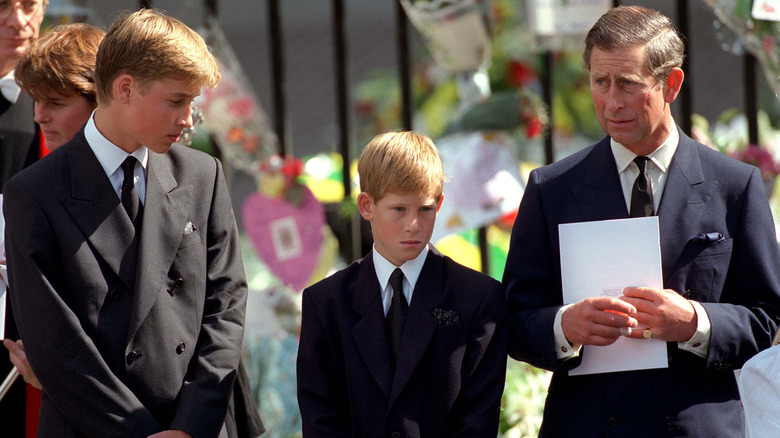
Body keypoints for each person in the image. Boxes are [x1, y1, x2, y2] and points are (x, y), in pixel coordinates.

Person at [502, 6, 780, 437]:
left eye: (628, 84)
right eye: (600, 82)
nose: (611, 101)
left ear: (671, 84)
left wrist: (694, 322)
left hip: (695, 425)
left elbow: (767, 319)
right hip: (588, 426)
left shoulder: (734, 184)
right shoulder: (551, 188)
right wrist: (563, 326)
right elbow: (515, 320)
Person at [3, 8, 247, 438]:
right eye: (177, 101)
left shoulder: (202, 174)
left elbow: (226, 305)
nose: (188, 119)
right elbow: (56, 344)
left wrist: (190, 426)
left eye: (191, 103)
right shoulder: (34, 193)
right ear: (126, 88)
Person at [296, 131, 508, 436]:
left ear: (440, 204)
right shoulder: (325, 303)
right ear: (366, 205)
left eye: (425, 209)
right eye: (399, 209)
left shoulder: (477, 297)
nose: (414, 224)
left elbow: (479, 419)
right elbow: (320, 418)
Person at [0, 1, 47, 435]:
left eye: (30, 4)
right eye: (2, 6)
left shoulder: (57, 101)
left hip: (29, 312)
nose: (19, 22)